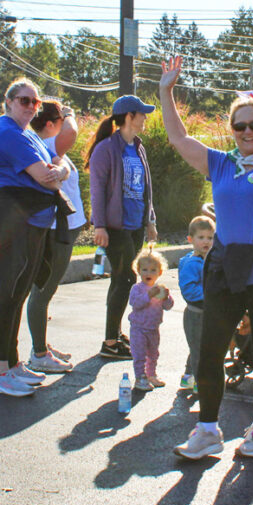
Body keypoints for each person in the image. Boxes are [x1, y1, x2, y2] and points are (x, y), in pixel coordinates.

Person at [159, 56, 253, 460]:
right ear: (232, 129)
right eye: (238, 126)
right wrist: (166, 91)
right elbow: (178, 138)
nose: (246, 131)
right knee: (210, 350)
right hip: (226, 267)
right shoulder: (221, 163)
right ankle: (207, 430)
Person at [0, 78, 72, 397]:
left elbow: (61, 165)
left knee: (17, 296)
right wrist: (53, 176)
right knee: (6, 295)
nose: (31, 106)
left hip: (34, 225)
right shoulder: (8, 132)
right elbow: (46, 176)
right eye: (24, 100)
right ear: (9, 102)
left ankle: (12, 363)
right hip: (16, 224)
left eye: (35, 102)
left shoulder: (28, 134)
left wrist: (56, 174)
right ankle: (2, 369)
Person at [86, 95, 158, 360]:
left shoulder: (138, 147)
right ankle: (109, 342)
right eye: (142, 113)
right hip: (115, 227)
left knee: (121, 280)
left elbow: (145, 189)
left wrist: (150, 220)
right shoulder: (106, 149)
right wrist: (100, 226)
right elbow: (97, 190)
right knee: (126, 278)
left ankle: (114, 335)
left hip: (135, 225)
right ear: (129, 116)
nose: (145, 117)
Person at [25, 101, 85, 373]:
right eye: (61, 118)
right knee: (43, 289)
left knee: (46, 291)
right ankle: (38, 353)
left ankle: (42, 346)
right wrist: (70, 113)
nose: (66, 121)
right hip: (54, 230)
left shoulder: (47, 145)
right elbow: (71, 133)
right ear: (51, 123)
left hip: (62, 228)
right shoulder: (46, 143)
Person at [127, 248, 173, 391]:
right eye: (145, 270)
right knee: (139, 354)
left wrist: (166, 297)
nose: (148, 273)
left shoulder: (159, 289)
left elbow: (168, 306)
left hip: (153, 328)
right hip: (138, 328)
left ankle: (151, 374)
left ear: (159, 273)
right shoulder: (137, 288)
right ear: (138, 271)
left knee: (153, 353)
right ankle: (140, 377)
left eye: (153, 270)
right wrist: (149, 295)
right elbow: (136, 303)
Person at [178, 215, 215, 391]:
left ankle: (188, 377)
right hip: (195, 314)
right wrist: (211, 294)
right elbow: (189, 290)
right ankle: (201, 383)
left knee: (199, 347)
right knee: (199, 349)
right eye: (201, 238)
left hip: (207, 312)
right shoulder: (192, 263)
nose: (206, 242)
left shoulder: (207, 259)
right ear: (191, 240)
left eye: (210, 237)